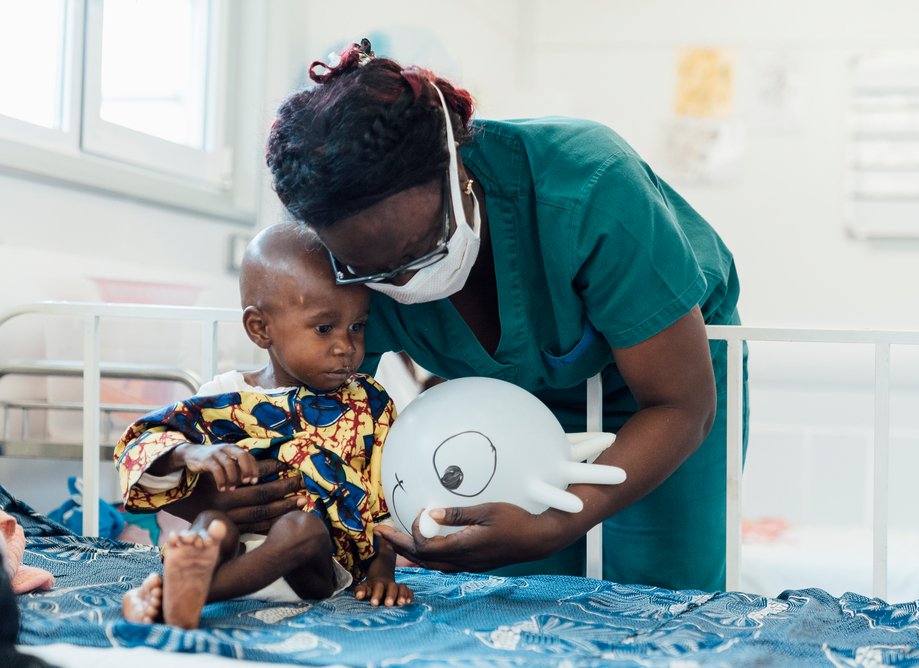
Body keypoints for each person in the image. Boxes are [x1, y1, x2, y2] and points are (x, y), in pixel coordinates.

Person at [261, 39, 749, 593]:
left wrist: (558, 524)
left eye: (423, 249)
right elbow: (322, 428)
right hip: (503, 399)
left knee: (665, 592)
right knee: (507, 590)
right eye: (373, 271)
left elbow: (681, 405)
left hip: (664, 384)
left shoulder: (589, 186)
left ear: (457, 172)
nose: (404, 282)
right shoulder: (336, 267)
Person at [115, 223, 413, 629]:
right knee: (212, 526)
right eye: (324, 328)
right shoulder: (226, 394)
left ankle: (174, 594)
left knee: (301, 528)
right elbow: (143, 442)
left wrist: (382, 573)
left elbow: (383, 496)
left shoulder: (368, 403)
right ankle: (190, 579)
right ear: (260, 329)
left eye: (357, 326)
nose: (346, 346)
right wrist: (192, 453)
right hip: (233, 552)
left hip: (315, 566)